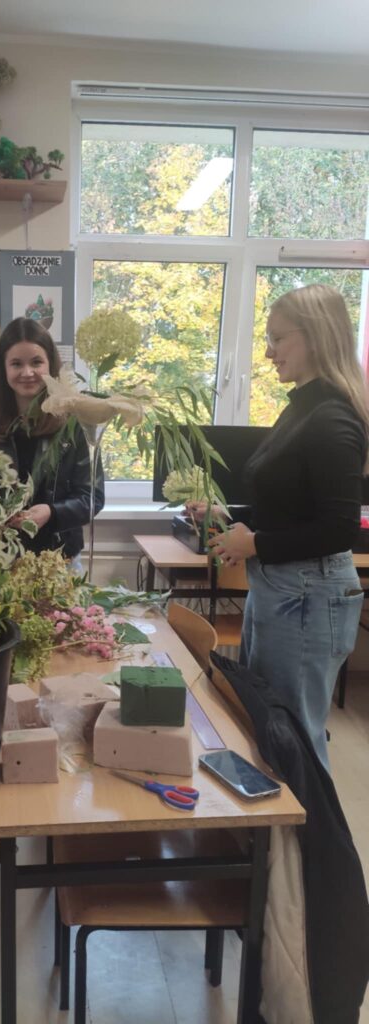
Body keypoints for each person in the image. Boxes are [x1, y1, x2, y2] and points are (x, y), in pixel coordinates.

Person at [201, 284, 369, 768]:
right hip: (282, 588)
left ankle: (310, 821)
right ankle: (275, 820)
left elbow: (339, 529)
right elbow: (287, 504)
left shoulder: (332, 417)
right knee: (268, 721)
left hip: (308, 594)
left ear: (315, 336)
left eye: (278, 339)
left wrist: (255, 543)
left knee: (295, 734)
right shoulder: (301, 406)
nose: (269, 352)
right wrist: (231, 519)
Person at [0, 317, 104, 565]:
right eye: (16, 364)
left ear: (50, 365)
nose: (27, 372)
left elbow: (92, 497)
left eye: (36, 362)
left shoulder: (74, 425)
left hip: (60, 559)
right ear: (3, 369)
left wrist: (52, 512)